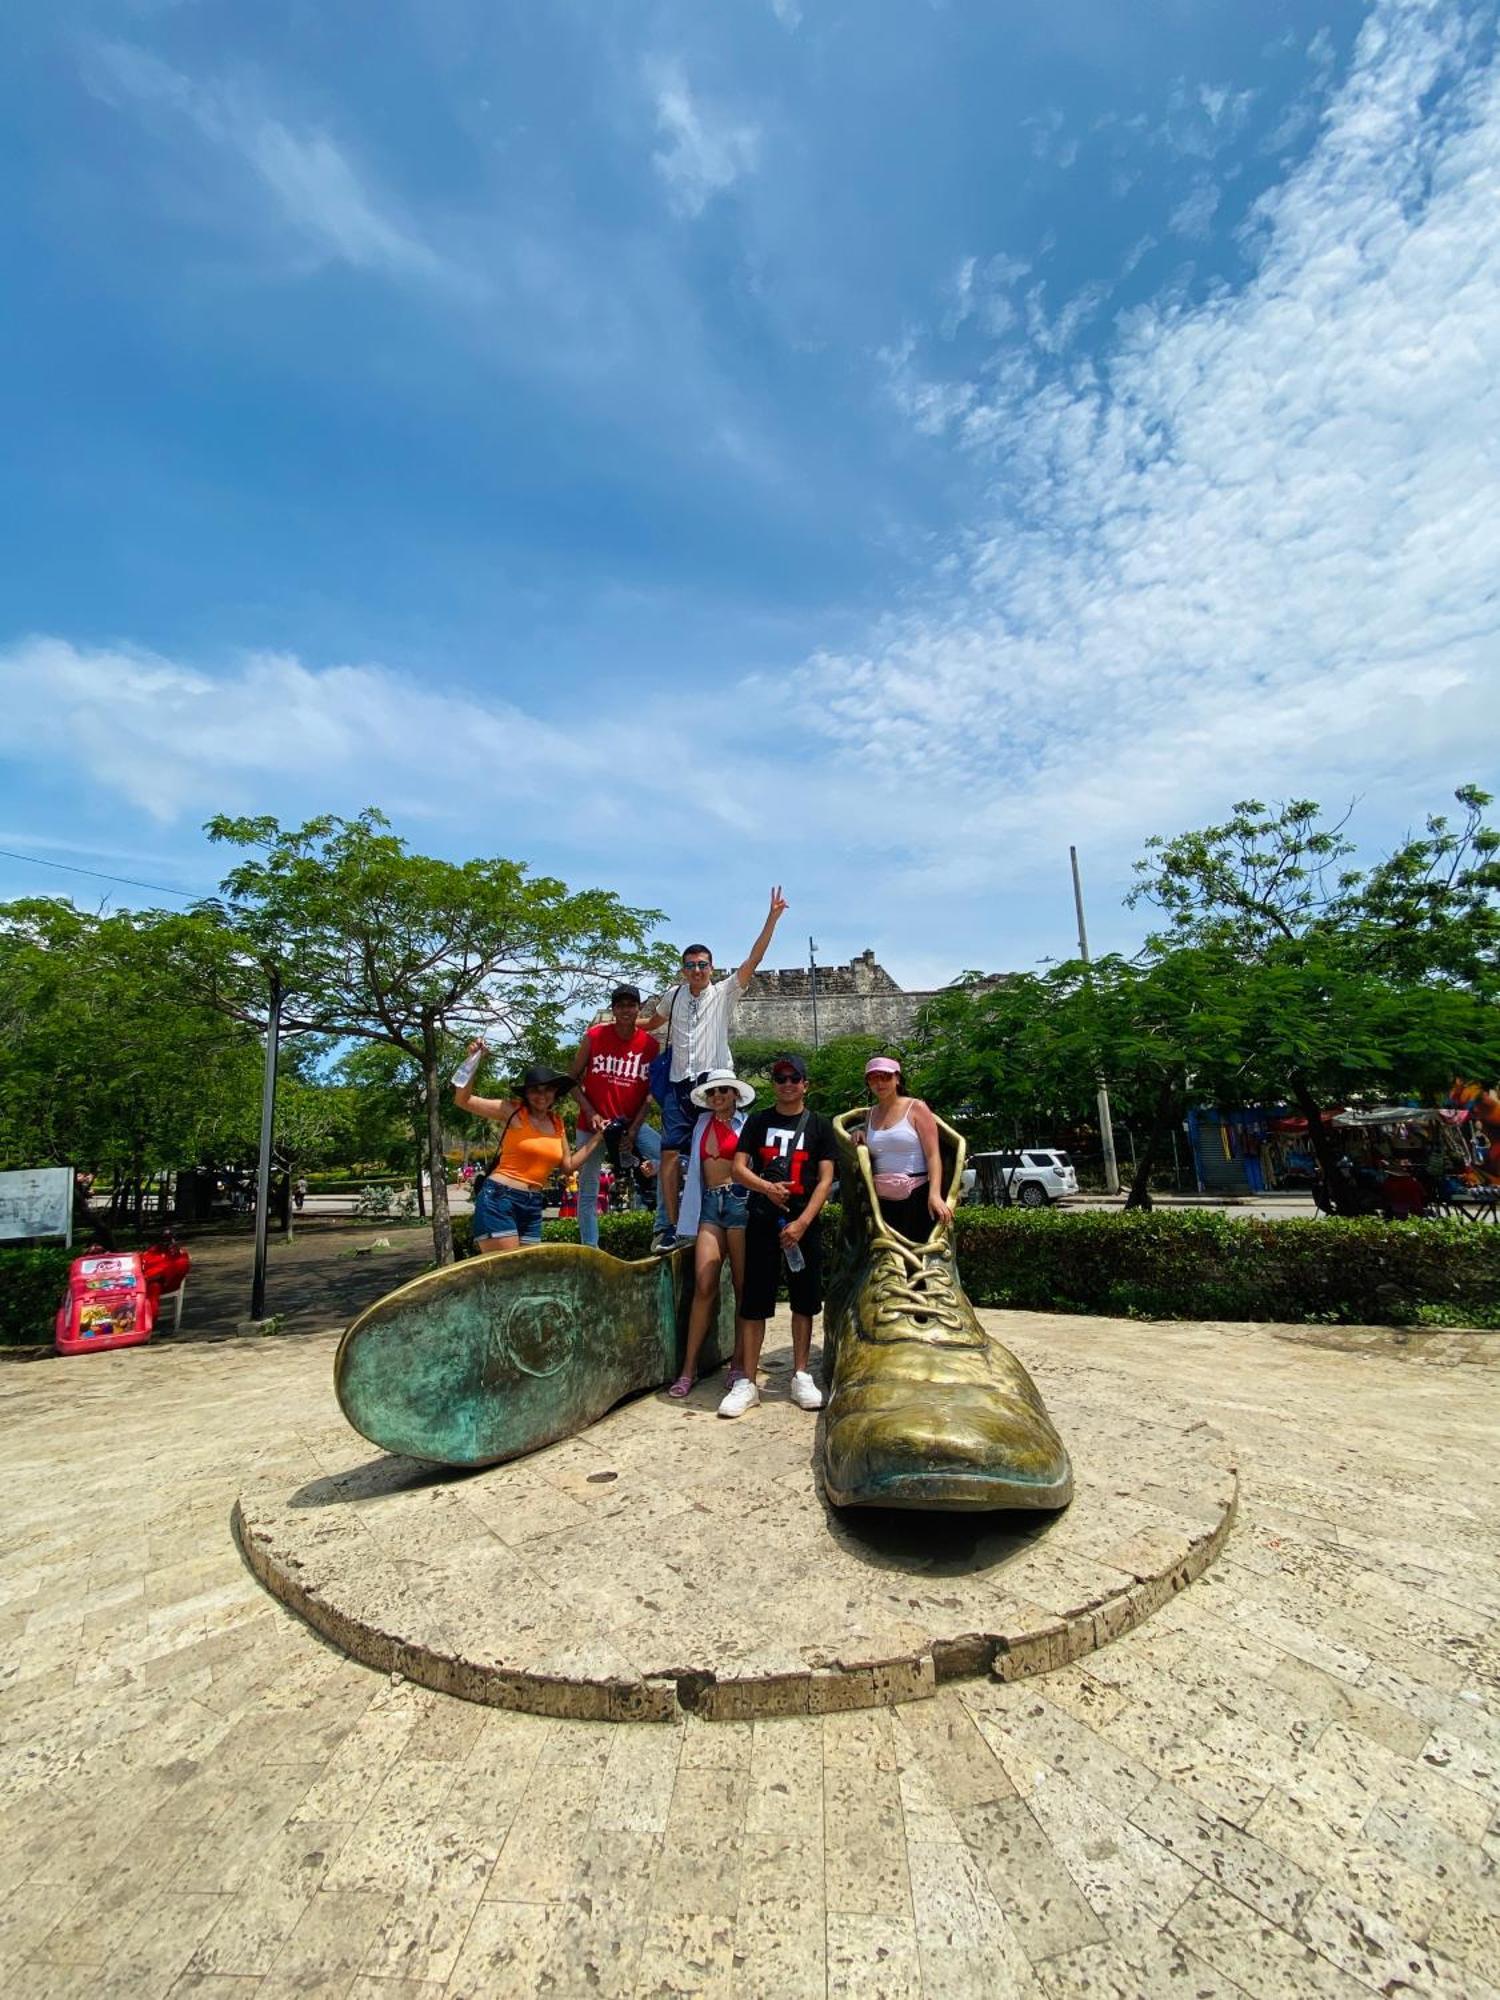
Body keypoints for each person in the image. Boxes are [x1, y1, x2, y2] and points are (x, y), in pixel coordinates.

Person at [639, 887, 788, 1254]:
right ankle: (672, 1227)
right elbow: (651, 1023)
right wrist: (614, 1028)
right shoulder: (672, 996)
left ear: (712, 967)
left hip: (714, 1085)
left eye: (702, 965)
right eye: (690, 965)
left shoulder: (723, 993)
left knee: (726, 1151)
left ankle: (738, 1212)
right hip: (678, 1084)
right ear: (683, 969)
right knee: (670, 1155)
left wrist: (771, 918)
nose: (696, 971)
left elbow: (754, 958)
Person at [725, 1052, 837, 1418]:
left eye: (794, 1078)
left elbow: (824, 1180)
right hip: (762, 1220)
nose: (787, 1084)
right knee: (755, 1301)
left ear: (805, 1084)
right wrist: (767, 1189)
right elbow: (738, 1168)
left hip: (802, 1223)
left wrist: (803, 1222)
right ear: (773, 1084)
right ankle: (748, 1381)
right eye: (780, 1078)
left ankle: (801, 1373)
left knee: (805, 1300)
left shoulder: (819, 1126)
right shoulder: (758, 1121)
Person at [453, 1047, 605, 1254]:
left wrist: (600, 1136)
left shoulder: (556, 1123)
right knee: (508, 1273)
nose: (541, 1096)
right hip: (500, 1198)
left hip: (533, 1204)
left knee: (527, 1275)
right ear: (526, 1093)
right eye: (535, 1090)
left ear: (555, 1093)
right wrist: (473, 1059)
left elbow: (568, 1167)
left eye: (547, 1090)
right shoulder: (513, 1112)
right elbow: (463, 1100)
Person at [666, 1069, 757, 1399]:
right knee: (704, 1284)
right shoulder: (701, 1125)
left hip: (740, 1203)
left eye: (723, 1090)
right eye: (711, 1092)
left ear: (734, 1094)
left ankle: (740, 1363)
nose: (717, 1096)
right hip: (709, 1204)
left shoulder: (748, 1125)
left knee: (742, 1286)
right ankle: (688, 1369)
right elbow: (682, 1164)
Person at [566, 984, 669, 1251]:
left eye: (631, 1005)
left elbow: (649, 1094)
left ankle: (662, 1229)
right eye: (620, 1005)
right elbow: (570, 1079)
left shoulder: (650, 1045)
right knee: (588, 1188)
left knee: (668, 1159)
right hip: (593, 1125)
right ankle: (591, 1248)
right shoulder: (595, 1036)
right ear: (614, 1009)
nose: (626, 1010)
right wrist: (591, 1112)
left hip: (631, 1122)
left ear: (638, 1009)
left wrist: (633, 1131)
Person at [854, 1056, 953, 1239]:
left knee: (917, 1257)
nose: (880, 1083)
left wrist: (935, 1195)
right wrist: (860, 1136)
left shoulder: (916, 1108)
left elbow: (933, 1154)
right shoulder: (870, 1115)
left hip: (916, 1196)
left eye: (885, 1076)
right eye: (873, 1078)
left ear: (897, 1079)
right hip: (881, 1199)